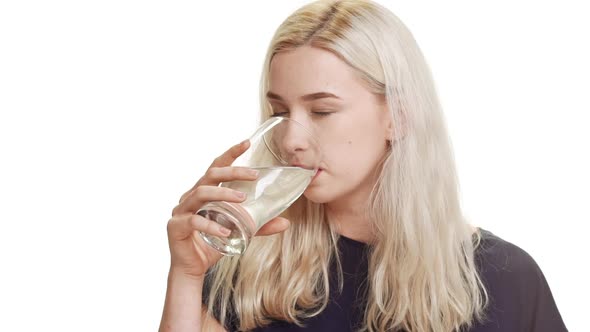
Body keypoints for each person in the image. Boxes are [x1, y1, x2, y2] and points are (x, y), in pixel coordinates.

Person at [159, 0, 568, 331]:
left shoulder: (505, 279)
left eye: (321, 110)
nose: (290, 140)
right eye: (279, 111)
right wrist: (186, 276)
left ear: (399, 116)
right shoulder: (252, 273)